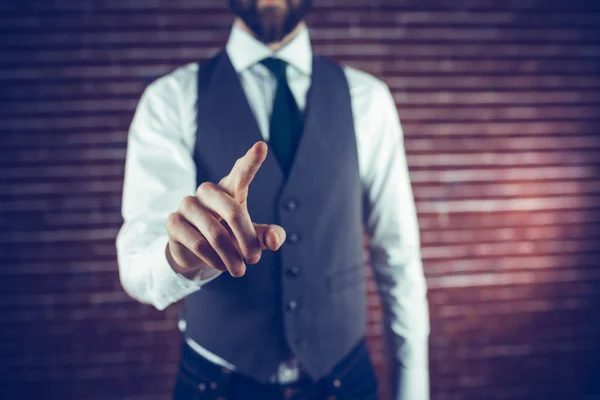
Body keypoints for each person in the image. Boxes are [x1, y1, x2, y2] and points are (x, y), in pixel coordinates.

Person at [116, 0, 430, 399]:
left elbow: (399, 258)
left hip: (344, 380)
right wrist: (180, 259)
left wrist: (413, 390)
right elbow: (137, 264)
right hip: (216, 384)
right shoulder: (169, 100)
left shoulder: (369, 99)